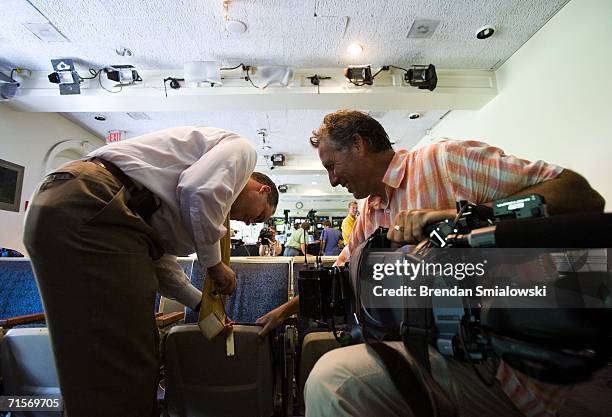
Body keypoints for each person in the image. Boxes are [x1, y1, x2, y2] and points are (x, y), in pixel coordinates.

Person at [257, 110, 604, 417]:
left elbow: (580, 194)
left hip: (501, 364)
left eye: (332, 165)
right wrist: (285, 311)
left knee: (335, 382)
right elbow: (343, 273)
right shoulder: (369, 211)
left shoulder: (446, 161)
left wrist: (459, 217)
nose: (332, 179)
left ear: (359, 145)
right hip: (430, 349)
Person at [23, 126, 278, 417]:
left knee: (91, 365)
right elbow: (199, 190)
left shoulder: (172, 209)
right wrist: (214, 264)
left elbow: (160, 266)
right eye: (259, 215)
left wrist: (203, 306)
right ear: (262, 189)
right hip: (97, 206)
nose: (248, 223)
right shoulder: (243, 151)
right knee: (124, 364)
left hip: (75, 207)